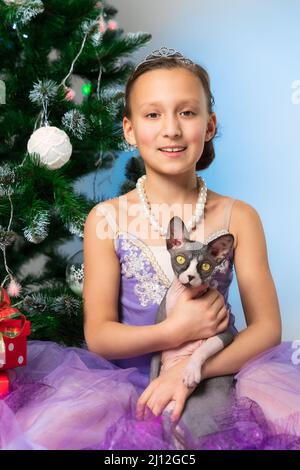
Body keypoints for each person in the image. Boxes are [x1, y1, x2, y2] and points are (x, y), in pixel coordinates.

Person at [1, 47, 299, 450]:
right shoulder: (106, 219)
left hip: (219, 378)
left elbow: (266, 329)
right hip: (127, 389)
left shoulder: (238, 216)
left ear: (209, 125)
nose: (171, 129)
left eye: (187, 113)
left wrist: (189, 372)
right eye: (153, 114)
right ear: (129, 129)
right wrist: (173, 331)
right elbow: (100, 335)